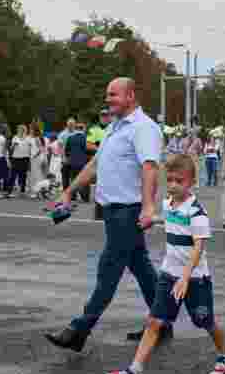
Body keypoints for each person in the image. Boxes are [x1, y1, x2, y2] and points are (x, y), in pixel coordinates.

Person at [45, 78, 165, 352]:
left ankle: (79, 329)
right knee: (142, 268)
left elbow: (150, 168)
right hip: (112, 211)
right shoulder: (115, 127)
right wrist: (68, 191)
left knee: (108, 269)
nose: (108, 99)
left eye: (113, 95)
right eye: (107, 95)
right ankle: (163, 322)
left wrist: (148, 206)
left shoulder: (144, 128)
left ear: (130, 95)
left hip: (128, 211)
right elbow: (95, 164)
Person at [103, 153, 225, 374]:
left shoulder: (196, 213)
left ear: (192, 182)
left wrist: (185, 278)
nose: (174, 185)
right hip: (168, 275)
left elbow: (198, 248)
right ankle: (134, 372)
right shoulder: (169, 203)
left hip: (195, 279)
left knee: (205, 322)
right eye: (171, 180)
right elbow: (169, 219)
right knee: (154, 322)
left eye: (180, 181)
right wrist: (152, 220)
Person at [64, 123, 91, 203]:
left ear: (76, 129)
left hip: (72, 162)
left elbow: (66, 150)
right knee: (84, 179)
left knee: (73, 179)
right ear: (83, 129)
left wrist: (70, 157)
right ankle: (85, 197)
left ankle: (73, 196)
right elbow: (88, 149)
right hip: (83, 162)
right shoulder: (85, 138)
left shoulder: (70, 138)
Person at [9, 124, 33, 197]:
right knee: (13, 175)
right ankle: (10, 191)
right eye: (18, 130)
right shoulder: (15, 137)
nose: (19, 131)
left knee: (23, 175)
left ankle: (22, 190)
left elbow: (31, 148)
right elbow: (11, 148)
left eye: (21, 130)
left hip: (25, 158)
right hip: (16, 158)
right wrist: (13, 145)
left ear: (24, 130)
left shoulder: (28, 138)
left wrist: (30, 157)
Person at [0, 126, 12, 199]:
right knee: (2, 175)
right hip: (2, 158)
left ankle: (1, 191)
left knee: (1, 175)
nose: (9, 133)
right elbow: (4, 151)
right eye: (8, 131)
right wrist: (8, 161)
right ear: (5, 132)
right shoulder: (3, 139)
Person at [58, 118, 77, 191]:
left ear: (75, 125)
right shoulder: (62, 134)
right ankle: (65, 191)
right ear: (67, 125)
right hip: (65, 158)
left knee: (74, 177)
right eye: (70, 124)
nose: (71, 125)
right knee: (65, 176)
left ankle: (73, 193)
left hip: (75, 158)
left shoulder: (77, 134)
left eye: (72, 124)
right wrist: (63, 157)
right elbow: (60, 147)